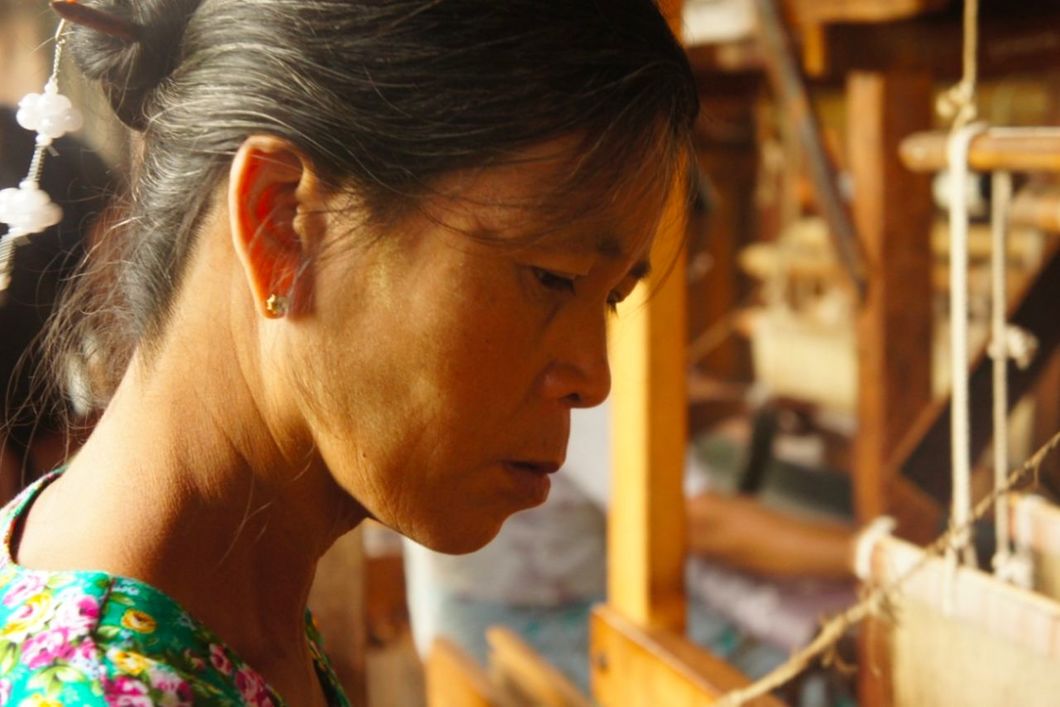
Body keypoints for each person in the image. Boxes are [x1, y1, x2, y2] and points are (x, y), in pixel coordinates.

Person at [0, 0, 698, 705]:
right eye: (554, 276)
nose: (593, 378)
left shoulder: (217, 613)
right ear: (283, 225)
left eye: (609, 298)